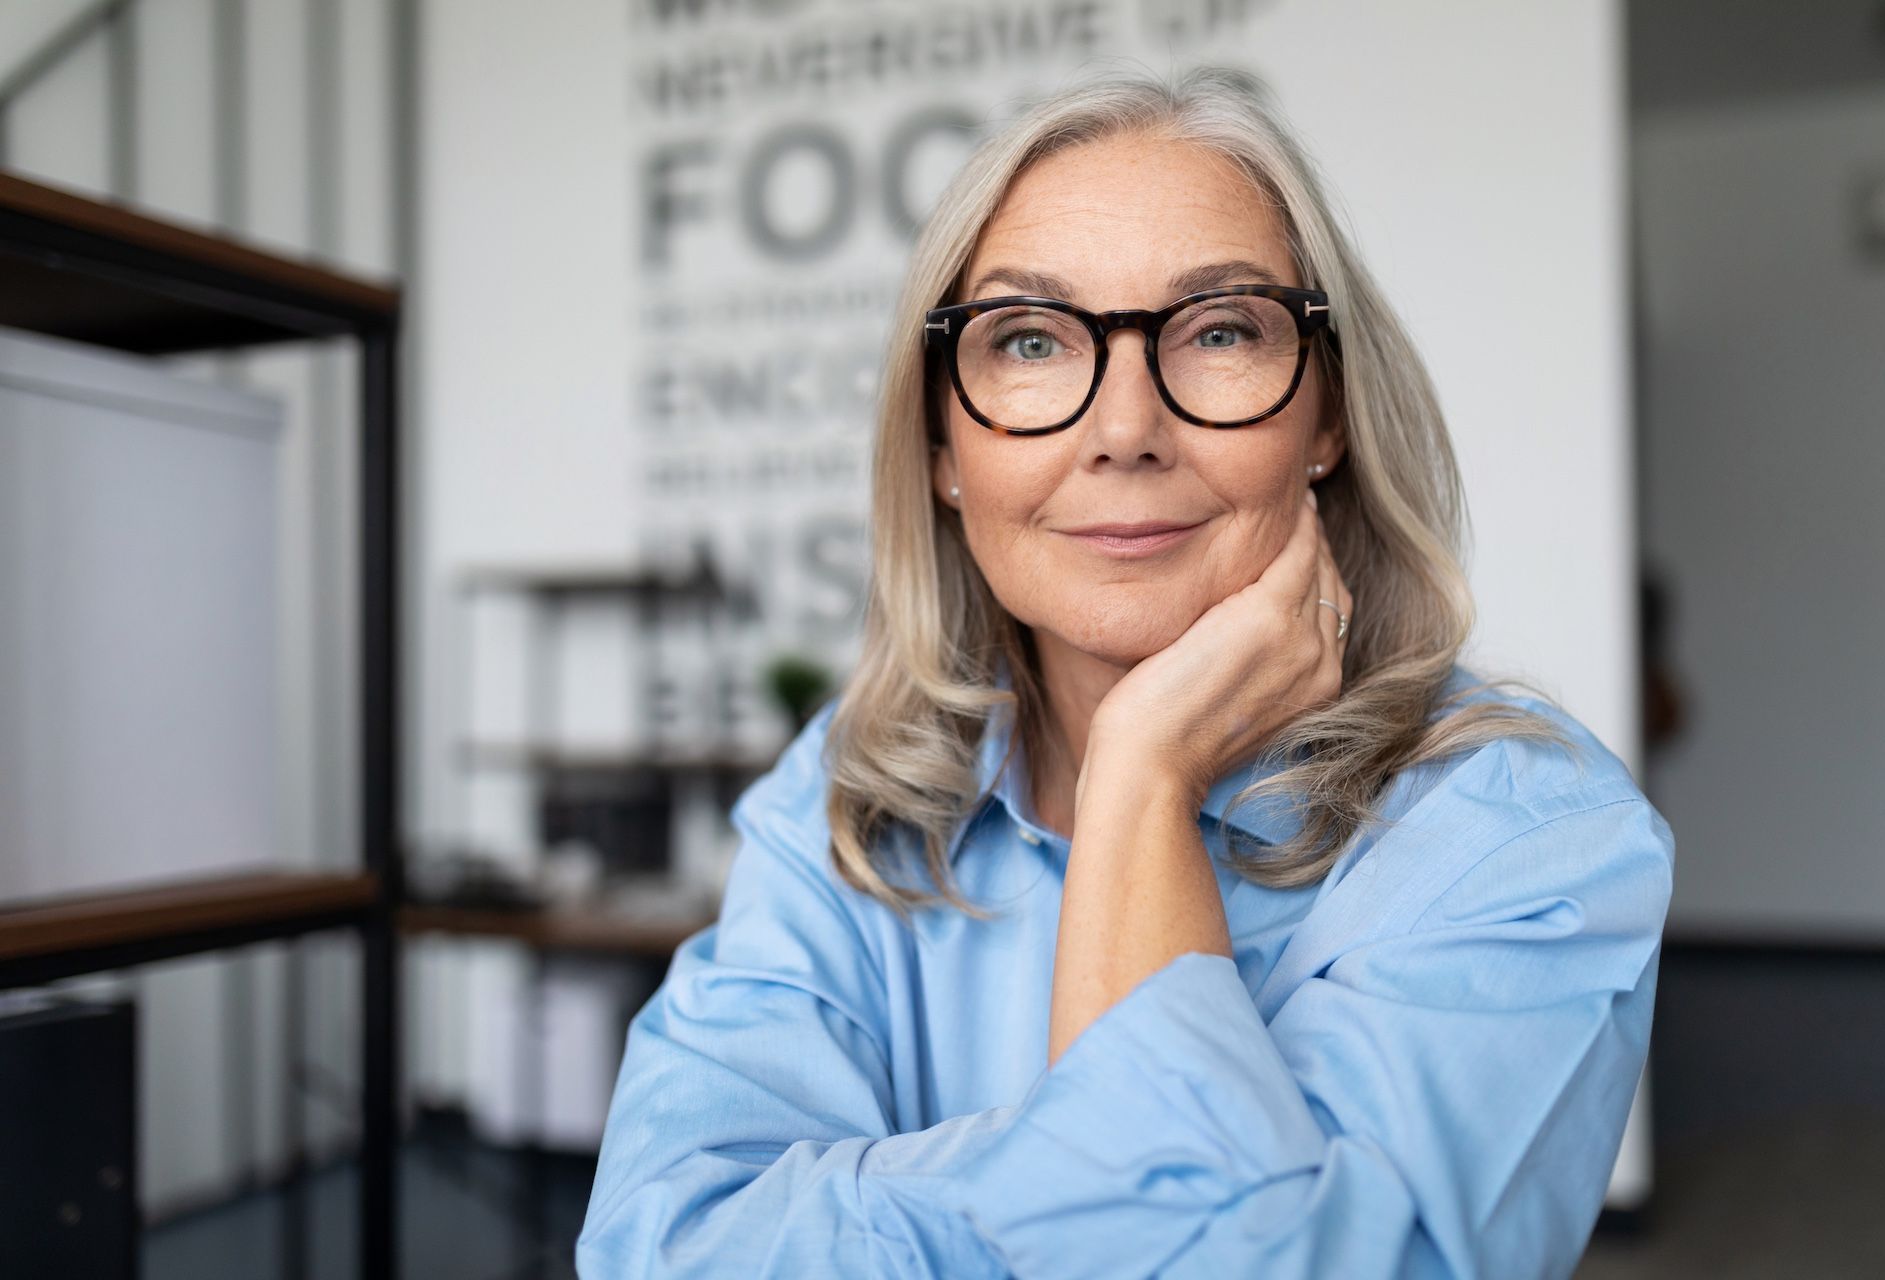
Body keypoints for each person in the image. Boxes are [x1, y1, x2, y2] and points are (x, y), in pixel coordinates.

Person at [577, 65, 1673, 1280]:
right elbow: (663, 1244)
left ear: (1326, 418)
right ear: (943, 444)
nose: (1125, 428)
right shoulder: (846, 789)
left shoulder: (1525, 836)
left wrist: (1142, 777)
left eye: (1218, 331)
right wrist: (1082, 1169)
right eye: (1032, 340)